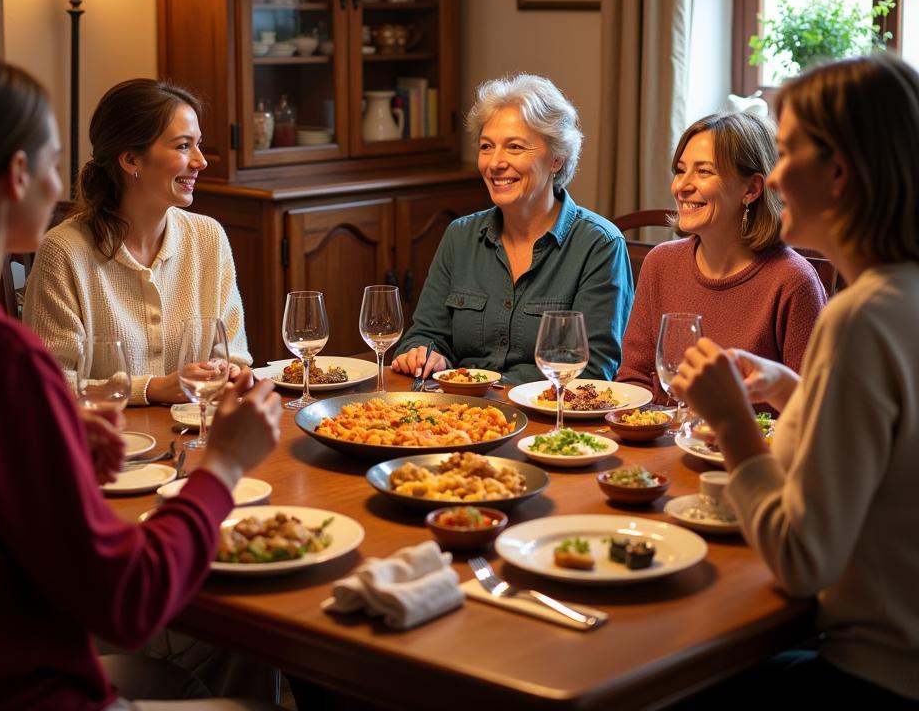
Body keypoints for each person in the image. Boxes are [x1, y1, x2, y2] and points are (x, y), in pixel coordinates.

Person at [0, 49, 283, 709]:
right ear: (18, 176)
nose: (63, 184)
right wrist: (221, 468)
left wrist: (63, 441)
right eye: (51, 162)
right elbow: (125, 601)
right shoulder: (1, 361)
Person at [674, 55, 919, 704]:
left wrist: (731, 424)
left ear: (837, 173)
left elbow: (803, 559)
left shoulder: (858, 317)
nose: (774, 175)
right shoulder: (903, 297)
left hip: (871, 674)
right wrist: (789, 390)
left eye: (785, 152)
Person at [391, 73, 633, 384]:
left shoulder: (599, 245)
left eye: (515, 147)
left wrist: (487, 387)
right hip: (458, 418)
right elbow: (426, 335)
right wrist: (424, 353)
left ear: (557, 159)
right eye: (487, 146)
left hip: (547, 422)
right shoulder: (459, 236)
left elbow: (593, 370)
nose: (495, 163)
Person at [24, 79, 250, 405]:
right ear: (131, 160)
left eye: (198, 144)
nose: (201, 161)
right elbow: (47, 384)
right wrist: (151, 388)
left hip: (195, 435)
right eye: (184, 146)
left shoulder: (209, 238)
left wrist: (229, 373)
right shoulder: (64, 251)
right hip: (108, 442)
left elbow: (235, 355)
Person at [617, 112, 827, 402]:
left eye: (704, 172)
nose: (681, 186)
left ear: (752, 189)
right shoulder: (660, 263)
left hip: (753, 446)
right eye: (680, 170)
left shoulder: (793, 280)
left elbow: (812, 410)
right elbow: (633, 381)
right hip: (661, 444)